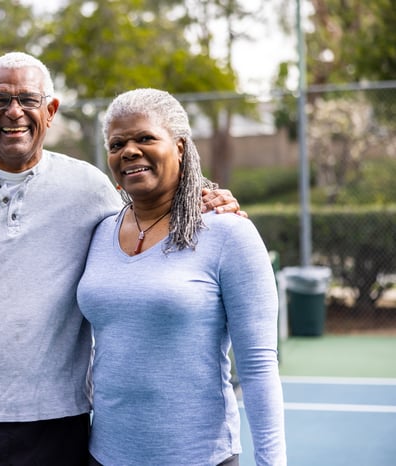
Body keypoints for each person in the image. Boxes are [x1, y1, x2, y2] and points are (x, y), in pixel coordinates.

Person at [0, 53, 242, 465]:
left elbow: (149, 217)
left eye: (28, 100)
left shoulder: (90, 189)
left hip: (56, 428)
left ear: (50, 112)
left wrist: (207, 199)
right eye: (0, 100)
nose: (14, 111)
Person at [76, 88, 286, 466]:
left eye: (145, 138)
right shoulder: (98, 231)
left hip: (199, 458)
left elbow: (257, 367)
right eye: (117, 143)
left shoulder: (227, 233)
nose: (129, 151)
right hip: (104, 456)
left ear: (181, 148)